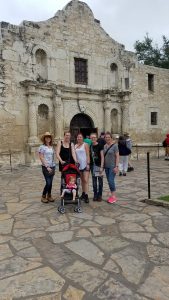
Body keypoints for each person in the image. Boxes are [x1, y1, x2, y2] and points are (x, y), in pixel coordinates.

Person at [39, 132, 56, 203]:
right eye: (46, 137)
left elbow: (52, 157)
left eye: (49, 137)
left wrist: (52, 166)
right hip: (46, 167)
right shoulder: (42, 147)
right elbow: (41, 157)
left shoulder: (51, 147)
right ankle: (43, 196)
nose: (48, 138)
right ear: (44, 139)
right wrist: (47, 166)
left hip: (53, 166)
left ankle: (49, 196)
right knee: (48, 183)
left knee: (51, 183)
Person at [104, 132, 119, 204]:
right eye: (106, 137)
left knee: (111, 180)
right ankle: (111, 194)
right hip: (106, 166)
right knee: (109, 181)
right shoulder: (105, 146)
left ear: (111, 138)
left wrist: (116, 166)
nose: (107, 138)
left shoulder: (115, 146)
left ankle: (113, 196)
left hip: (112, 166)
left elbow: (117, 156)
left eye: (108, 137)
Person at [75, 133, 90, 203]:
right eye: (78, 137)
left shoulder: (85, 145)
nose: (79, 138)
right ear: (76, 138)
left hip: (85, 165)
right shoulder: (75, 146)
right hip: (79, 166)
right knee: (82, 180)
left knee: (86, 180)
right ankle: (83, 193)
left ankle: (86, 195)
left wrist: (88, 164)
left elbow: (88, 154)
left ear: (83, 138)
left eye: (80, 137)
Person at [90, 133, 104, 201]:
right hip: (93, 166)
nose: (93, 139)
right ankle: (95, 195)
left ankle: (100, 195)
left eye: (94, 137)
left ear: (96, 138)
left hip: (99, 166)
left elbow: (102, 157)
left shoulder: (100, 146)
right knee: (94, 182)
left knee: (100, 181)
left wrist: (101, 166)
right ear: (90, 138)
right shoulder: (90, 146)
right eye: (92, 137)